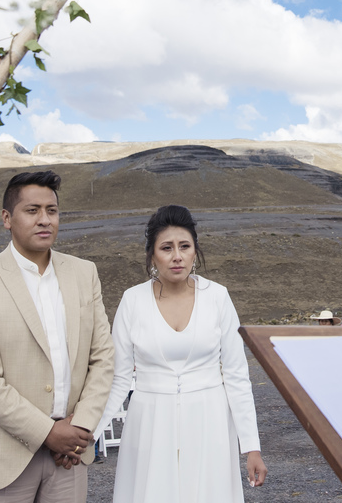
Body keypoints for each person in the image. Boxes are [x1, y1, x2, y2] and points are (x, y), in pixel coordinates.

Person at [0, 170, 115, 503]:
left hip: (68, 459)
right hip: (2, 461)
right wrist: (48, 433)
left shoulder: (85, 274)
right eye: (32, 210)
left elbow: (102, 359)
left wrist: (79, 429)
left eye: (52, 211)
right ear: (7, 218)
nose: (45, 220)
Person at [99, 204, 267, 501]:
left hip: (210, 422)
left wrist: (251, 446)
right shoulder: (132, 301)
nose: (176, 256)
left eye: (184, 246)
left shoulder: (217, 297)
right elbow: (118, 378)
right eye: (166, 247)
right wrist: (89, 432)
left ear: (194, 251)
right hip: (149, 424)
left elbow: (237, 376)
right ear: (152, 254)